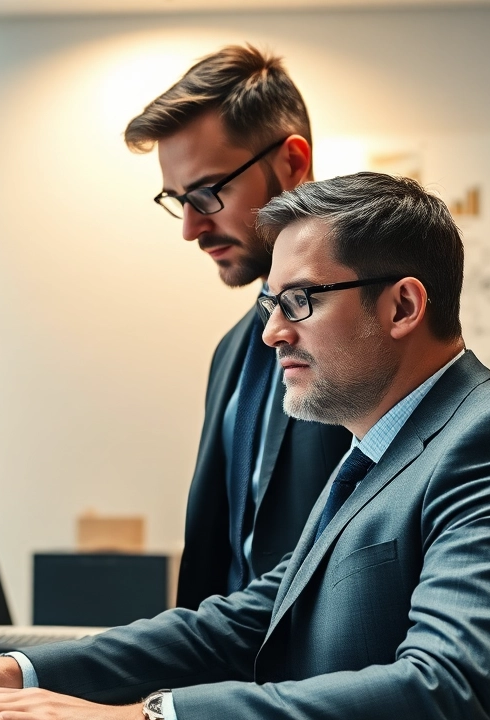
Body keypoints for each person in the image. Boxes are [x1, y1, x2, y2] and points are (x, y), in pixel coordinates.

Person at [0, 173, 490, 720]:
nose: (275, 331)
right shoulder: (375, 456)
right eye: (270, 303)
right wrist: (14, 671)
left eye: (300, 301)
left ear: (402, 305)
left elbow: (445, 694)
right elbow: (239, 625)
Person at [131, 44, 351, 606]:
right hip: (219, 676)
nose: (190, 227)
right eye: (177, 199)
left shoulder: (364, 332)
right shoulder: (234, 350)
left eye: (207, 192)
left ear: (293, 163)